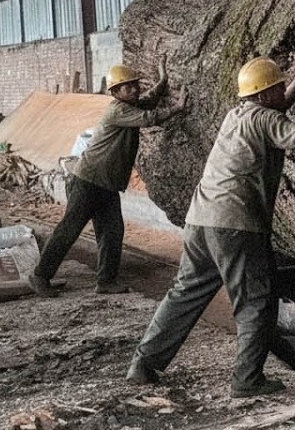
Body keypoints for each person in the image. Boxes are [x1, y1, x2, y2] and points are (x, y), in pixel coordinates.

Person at [127, 54, 295, 398]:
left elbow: (277, 107)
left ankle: (143, 364)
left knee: (184, 295)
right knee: (257, 299)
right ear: (265, 93)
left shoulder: (237, 114)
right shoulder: (266, 117)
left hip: (200, 219)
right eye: (279, 85)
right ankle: (247, 379)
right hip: (236, 224)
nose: (283, 89)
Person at [29, 57, 188, 296]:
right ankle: (40, 276)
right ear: (115, 92)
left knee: (112, 232)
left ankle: (106, 281)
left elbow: (147, 101)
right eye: (128, 86)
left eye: (135, 84)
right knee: (69, 229)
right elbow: (148, 118)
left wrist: (162, 80)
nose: (134, 89)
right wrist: (177, 108)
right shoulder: (118, 110)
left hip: (105, 184)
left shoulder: (129, 105)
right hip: (88, 181)